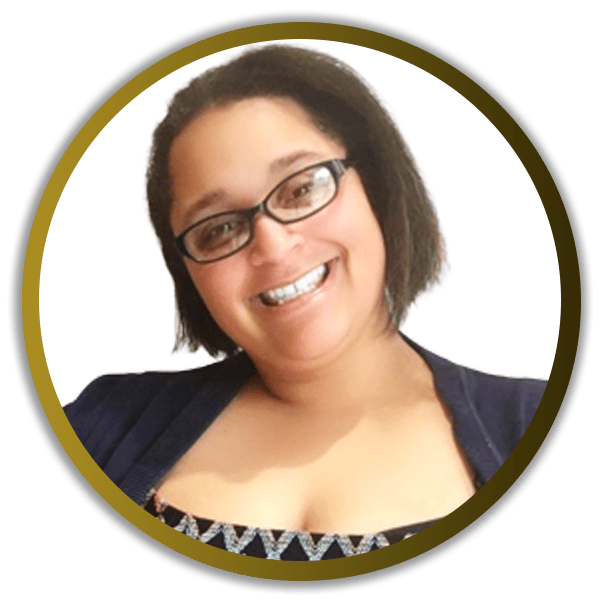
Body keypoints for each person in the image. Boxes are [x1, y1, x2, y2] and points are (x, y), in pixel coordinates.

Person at [65, 45, 546, 561]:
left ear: (378, 187)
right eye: (219, 228)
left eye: (301, 189)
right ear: (187, 271)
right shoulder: (96, 428)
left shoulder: (537, 426)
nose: (272, 246)